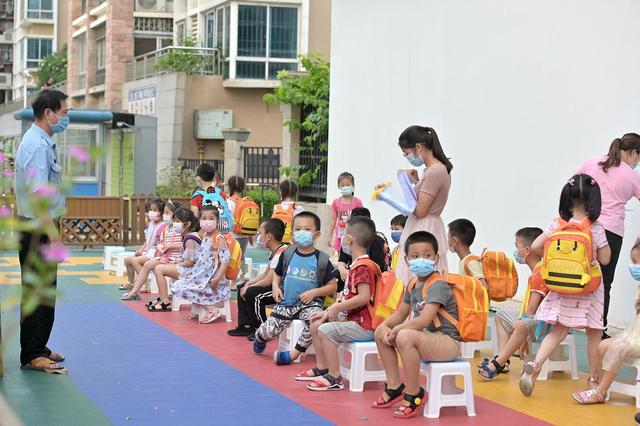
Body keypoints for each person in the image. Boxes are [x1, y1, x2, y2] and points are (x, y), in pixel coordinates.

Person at [519, 174, 611, 396]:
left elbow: (536, 246)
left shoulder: (558, 224)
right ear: (593, 200)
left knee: (558, 331)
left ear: (567, 200)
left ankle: (536, 364)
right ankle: (593, 380)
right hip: (588, 289)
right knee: (593, 334)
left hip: (561, 287)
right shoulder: (595, 227)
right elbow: (606, 259)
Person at [373, 231, 460, 418]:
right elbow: (401, 313)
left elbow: (424, 320)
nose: (421, 259)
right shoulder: (413, 283)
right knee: (380, 332)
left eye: (427, 255)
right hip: (427, 338)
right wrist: (385, 326)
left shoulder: (438, 284)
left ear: (436, 258)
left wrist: (398, 329)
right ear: (406, 259)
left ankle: (413, 393)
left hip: (446, 342)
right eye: (415, 256)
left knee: (404, 335)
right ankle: (395, 386)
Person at [15, 89, 69, 374]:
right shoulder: (36, 145)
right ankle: (32, 353)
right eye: (64, 112)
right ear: (49, 113)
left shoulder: (43, 142)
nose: (66, 117)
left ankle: (39, 345)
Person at [298, 216, 378, 391]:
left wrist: (336, 307)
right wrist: (328, 312)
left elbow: (364, 297)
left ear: (349, 239)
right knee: (316, 323)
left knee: (326, 331)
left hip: (364, 325)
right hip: (352, 320)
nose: (340, 239)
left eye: (342, 235)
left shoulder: (363, 267)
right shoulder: (356, 265)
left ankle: (335, 377)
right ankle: (322, 367)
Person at [253, 211, 337, 365]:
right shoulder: (287, 254)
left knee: (316, 322)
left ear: (316, 234)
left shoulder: (322, 259)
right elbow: (277, 274)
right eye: (298, 229)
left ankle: (292, 354)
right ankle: (260, 337)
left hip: (310, 305)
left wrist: (314, 292)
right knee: (268, 331)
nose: (302, 233)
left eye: (307, 229)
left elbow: (333, 286)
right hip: (287, 302)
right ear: (292, 234)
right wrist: (275, 287)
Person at [576, 134, 640, 336]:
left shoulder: (592, 162)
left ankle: (567, 319)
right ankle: (597, 329)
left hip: (583, 228)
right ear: (634, 153)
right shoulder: (631, 176)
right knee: (603, 283)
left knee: (575, 274)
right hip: (611, 232)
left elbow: (573, 186)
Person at [573, 242, 640, 404]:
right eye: (634, 261)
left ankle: (599, 391)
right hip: (634, 334)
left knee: (617, 348)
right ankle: (604, 390)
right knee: (602, 346)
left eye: (638, 262)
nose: (635, 266)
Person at [477, 227, 545, 380]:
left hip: (540, 322)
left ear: (527, 250)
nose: (515, 251)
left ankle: (499, 362)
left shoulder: (539, 273)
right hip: (535, 318)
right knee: (501, 315)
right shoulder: (538, 270)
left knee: (519, 323)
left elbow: (532, 309)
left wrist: (523, 335)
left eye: (517, 246)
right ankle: (503, 358)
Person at [392, 126, 453, 285]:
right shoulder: (432, 170)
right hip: (424, 225)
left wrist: (395, 199)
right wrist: (416, 180)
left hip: (424, 227)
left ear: (418, 147)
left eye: (407, 153)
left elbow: (420, 210)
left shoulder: (435, 171)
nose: (407, 157)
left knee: (417, 280)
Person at [170, 205, 231, 323]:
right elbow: (201, 260)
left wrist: (218, 278)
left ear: (217, 221)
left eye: (211, 219)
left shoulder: (219, 238)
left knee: (186, 287)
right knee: (180, 285)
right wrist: (192, 273)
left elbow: (225, 260)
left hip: (211, 277)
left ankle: (212, 309)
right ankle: (199, 308)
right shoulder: (205, 236)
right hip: (201, 275)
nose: (207, 222)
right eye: (204, 218)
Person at [228, 219, 287, 338]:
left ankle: (262, 329)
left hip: (280, 290)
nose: (259, 237)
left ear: (269, 236)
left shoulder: (281, 253)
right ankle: (245, 326)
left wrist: (249, 287)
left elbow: (268, 281)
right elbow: (265, 274)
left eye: (261, 233)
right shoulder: (275, 252)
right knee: (242, 287)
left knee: (253, 294)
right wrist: (248, 283)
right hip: (273, 286)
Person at [146, 208, 202, 312]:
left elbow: (190, 262)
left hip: (194, 272)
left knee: (159, 269)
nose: (174, 223)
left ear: (187, 224)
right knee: (160, 267)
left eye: (177, 221)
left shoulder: (190, 239)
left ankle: (165, 301)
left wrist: (177, 264)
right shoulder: (187, 236)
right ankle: (163, 297)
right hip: (192, 269)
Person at [121, 199, 170, 300]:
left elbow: (162, 243)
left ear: (161, 212)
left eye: (154, 210)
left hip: (154, 253)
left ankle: (145, 284)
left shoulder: (164, 226)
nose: (151, 212)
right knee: (127, 259)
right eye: (150, 210)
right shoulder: (150, 224)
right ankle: (131, 283)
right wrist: (141, 249)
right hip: (147, 251)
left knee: (135, 261)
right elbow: (147, 240)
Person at [336, 207, 388, 292]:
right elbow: (341, 260)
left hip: (368, 281)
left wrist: (355, 273)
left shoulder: (375, 241)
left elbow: (376, 267)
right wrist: (343, 270)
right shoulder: (347, 241)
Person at [326, 172, 364, 253]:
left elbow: (362, 219)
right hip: (340, 237)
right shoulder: (336, 202)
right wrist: (329, 236)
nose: (345, 187)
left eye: (348, 185)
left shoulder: (358, 202)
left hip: (354, 237)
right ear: (338, 187)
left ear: (353, 185)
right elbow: (333, 220)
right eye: (342, 185)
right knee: (341, 260)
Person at [447, 218, 488, 289]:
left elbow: (484, 287)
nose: (447, 242)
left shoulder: (470, 262)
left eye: (448, 238)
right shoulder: (464, 261)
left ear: (454, 240)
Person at [227, 175, 251, 279]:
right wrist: (250, 236)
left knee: (231, 257)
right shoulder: (246, 202)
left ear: (230, 186)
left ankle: (232, 279)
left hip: (232, 235)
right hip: (244, 235)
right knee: (242, 257)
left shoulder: (228, 202)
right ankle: (242, 277)